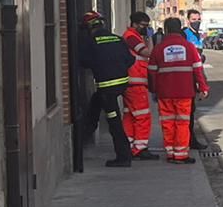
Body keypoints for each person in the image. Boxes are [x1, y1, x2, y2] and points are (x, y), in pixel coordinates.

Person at [148, 17, 208, 164]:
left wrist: (154, 90)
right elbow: (198, 70)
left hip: (165, 93)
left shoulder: (158, 49)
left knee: (167, 123)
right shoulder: (189, 47)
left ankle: (170, 152)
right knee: (182, 123)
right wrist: (203, 87)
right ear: (180, 29)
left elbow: (151, 72)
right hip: (184, 93)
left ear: (166, 30)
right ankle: (180, 154)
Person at [78, 11, 135, 167]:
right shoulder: (117, 39)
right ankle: (82, 140)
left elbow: (83, 62)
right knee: (94, 108)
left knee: (114, 122)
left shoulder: (91, 42)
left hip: (107, 88)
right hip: (122, 84)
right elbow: (130, 60)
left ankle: (124, 157)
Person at [120, 11, 159, 160]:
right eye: (143, 26)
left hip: (131, 82)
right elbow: (148, 53)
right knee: (143, 116)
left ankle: (129, 145)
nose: (145, 28)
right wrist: (150, 38)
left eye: (147, 26)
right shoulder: (131, 37)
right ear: (135, 24)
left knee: (130, 116)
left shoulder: (132, 36)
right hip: (136, 82)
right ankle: (140, 148)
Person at [183, 10, 209, 151]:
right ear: (188, 20)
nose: (197, 22)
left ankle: (190, 138)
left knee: (191, 110)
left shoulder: (198, 35)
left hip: (196, 73)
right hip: (188, 75)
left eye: (198, 19)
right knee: (187, 111)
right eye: (194, 19)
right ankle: (188, 139)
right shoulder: (185, 34)